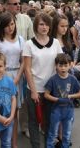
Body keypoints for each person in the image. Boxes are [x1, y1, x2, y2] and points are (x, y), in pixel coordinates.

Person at [23, 13, 63, 148]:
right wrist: (34, 91)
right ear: (36, 26)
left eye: (46, 24)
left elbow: (60, 65)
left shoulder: (56, 43)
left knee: (49, 122)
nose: (44, 27)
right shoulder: (29, 44)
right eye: (41, 24)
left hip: (51, 90)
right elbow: (27, 69)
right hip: (35, 89)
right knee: (34, 121)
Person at [0, 11, 25, 148]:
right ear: (1, 26)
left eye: (12, 24)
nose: (10, 27)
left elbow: (23, 61)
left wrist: (17, 78)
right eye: (7, 25)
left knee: (14, 111)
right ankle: (3, 140)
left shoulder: (21, 40)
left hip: (17, 75)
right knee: (1, 109)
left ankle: (14, 143)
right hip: (1, 77)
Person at [44, 54, 80, 148]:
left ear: (70, 65)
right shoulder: (53, 79)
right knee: (52, 133)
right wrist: (57, 99)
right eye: (60, 65)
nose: (63, 68)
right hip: (56, 110)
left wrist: (71, 96)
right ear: (56, 66)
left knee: (67, 134)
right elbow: (46, 95)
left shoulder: (73, 79)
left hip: (69, 110)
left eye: (65, 65)